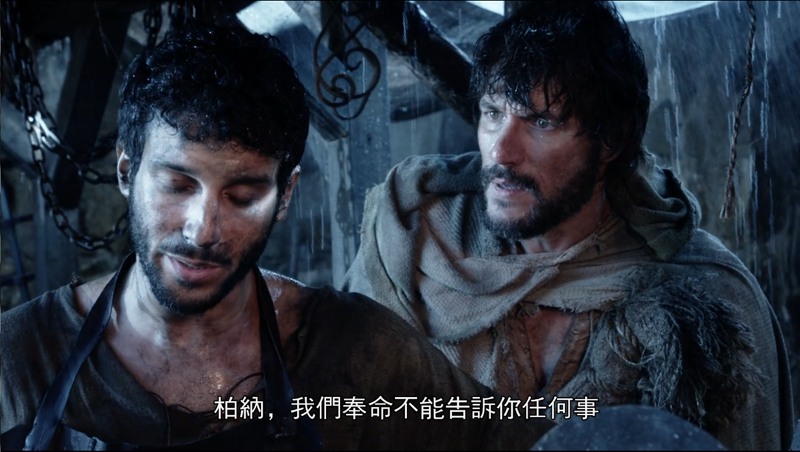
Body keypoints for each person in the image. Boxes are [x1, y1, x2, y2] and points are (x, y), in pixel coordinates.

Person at [0, 21, 557, 450]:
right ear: (127, 171)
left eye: (242, 195)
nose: (203, 230)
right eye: (176, 185)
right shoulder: (20, 358)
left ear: (285, 195)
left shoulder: (355, 350)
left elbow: (515, 434)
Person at [341, 1, 795, 450]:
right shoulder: (413, 237)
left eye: (541, 122)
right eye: (493, 113)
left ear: (610, 141)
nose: (501, 153)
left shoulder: (705, 295)